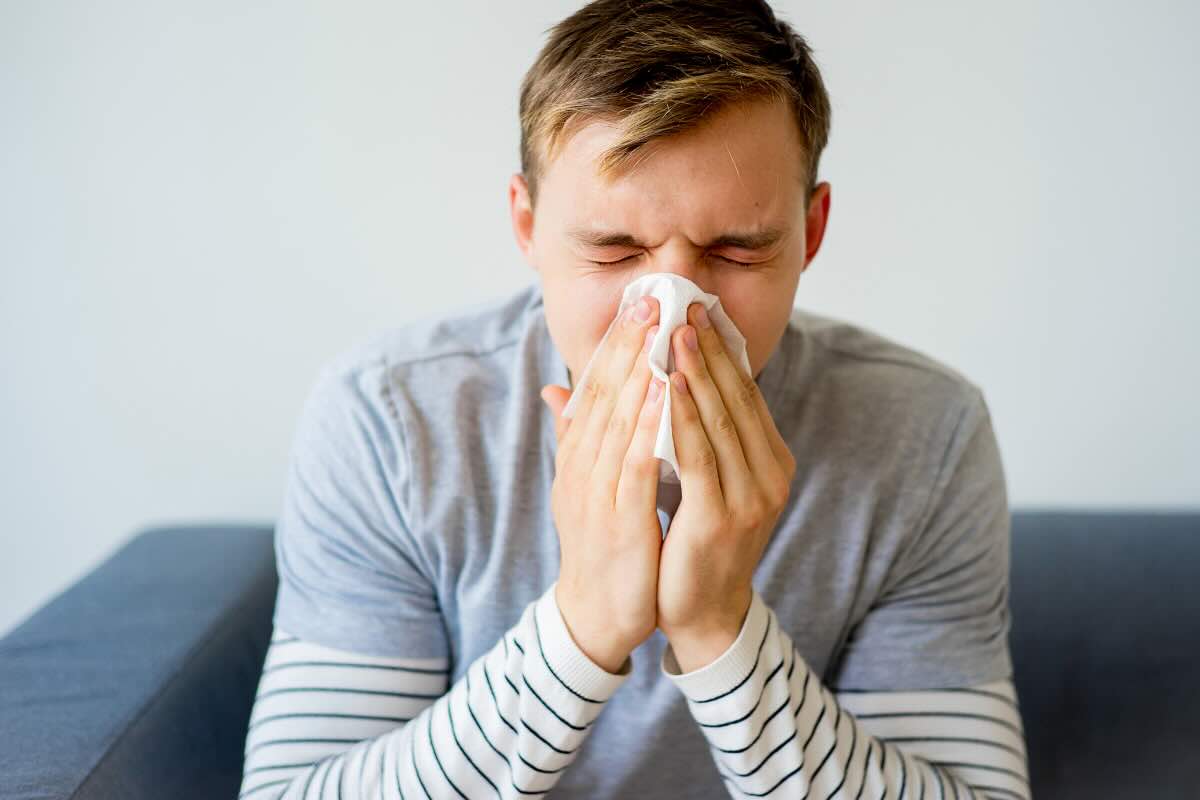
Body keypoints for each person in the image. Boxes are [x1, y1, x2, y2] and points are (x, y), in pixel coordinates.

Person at [238, 1, 1030, 797]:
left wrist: (721, 630)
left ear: (810, 233)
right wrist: (582, 623)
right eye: (614, 249)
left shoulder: (926, 435)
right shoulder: (390, 421)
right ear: (528, 225)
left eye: (737, 251)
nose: (673, 312)